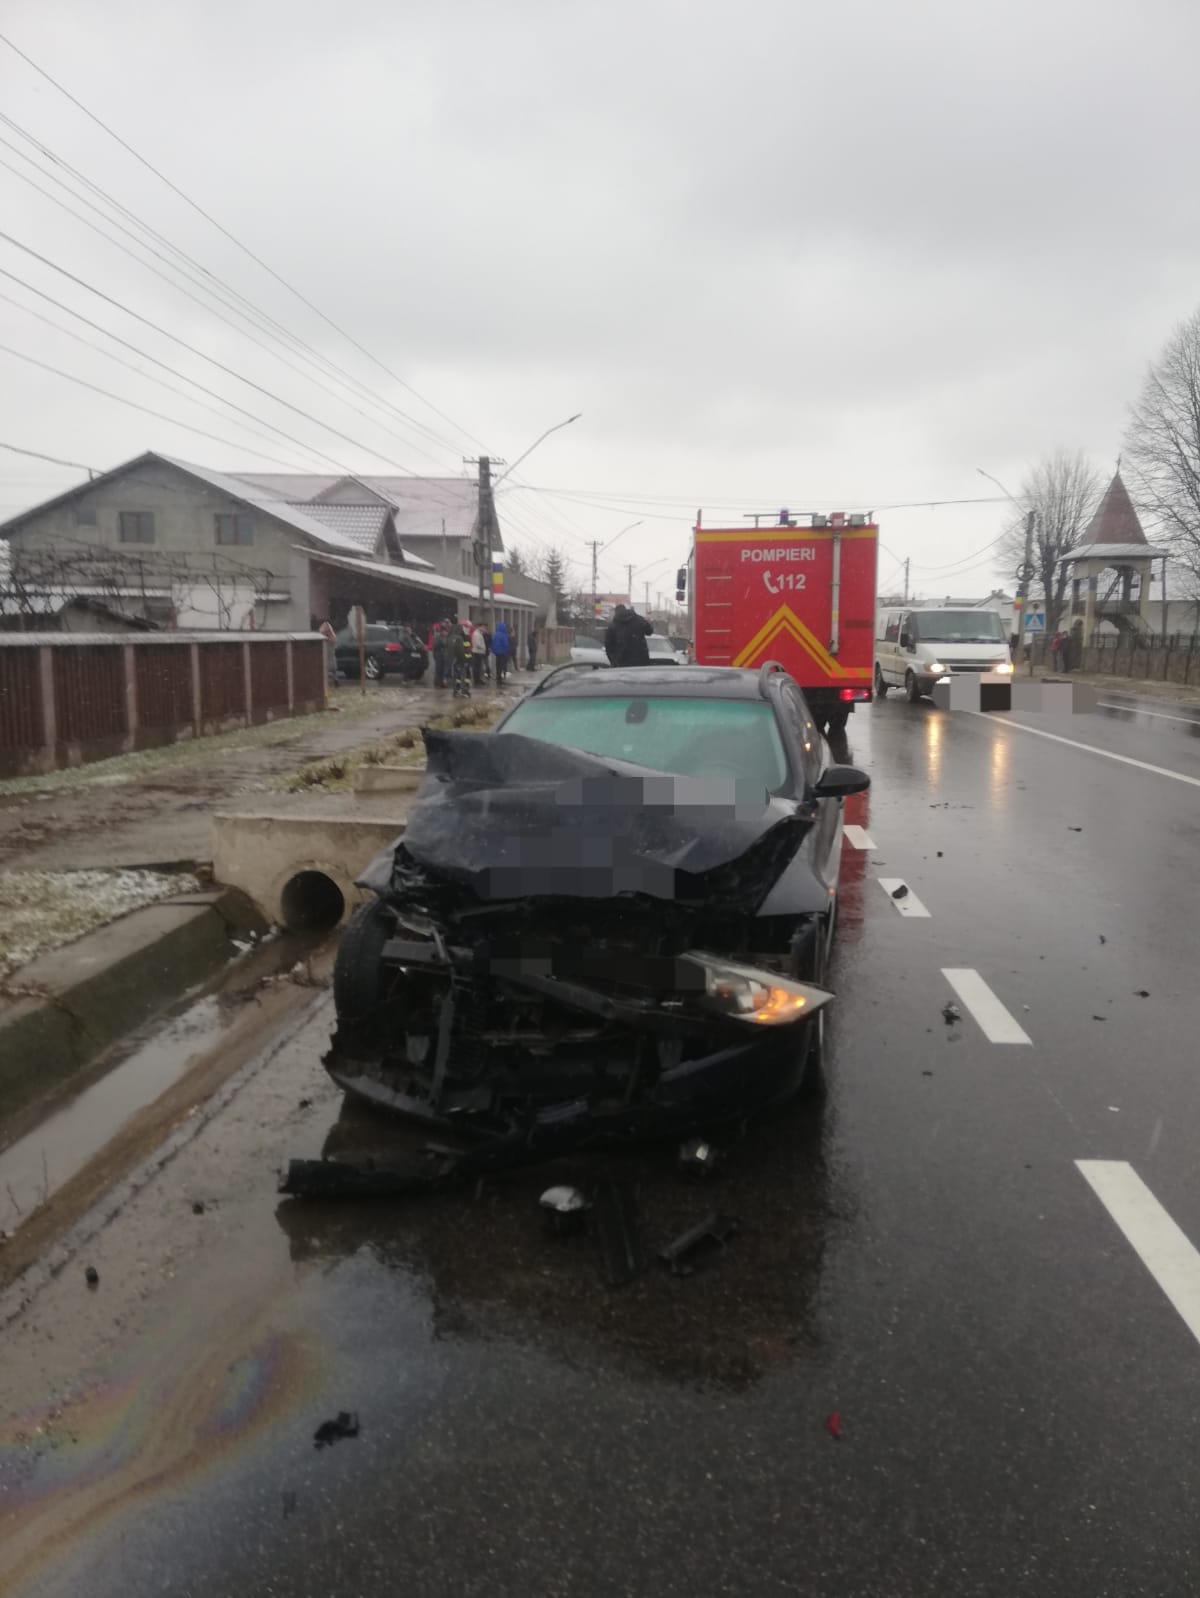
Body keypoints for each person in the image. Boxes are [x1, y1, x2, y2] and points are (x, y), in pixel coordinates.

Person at [604, 603, 654, 667]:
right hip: (640, 660)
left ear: (616, 612)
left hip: (621, 663)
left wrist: (613, 661)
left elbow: (608, 646)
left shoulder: (613, 625)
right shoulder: (638, 619)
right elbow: (650, 631)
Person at [318, 618, 338, 688]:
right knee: (332, 667)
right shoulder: (328, 627)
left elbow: (321, 632)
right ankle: (334, 681)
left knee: (328, 666)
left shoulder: (325, 626)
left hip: (328, 648)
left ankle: (328, 681)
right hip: (330, 649)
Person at [492, 618, 511, 684]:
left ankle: (498, 677)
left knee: (498, 666)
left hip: (497, 653)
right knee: (502, 665)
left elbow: (493, 643)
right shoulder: (503, 635)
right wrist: (507, 650)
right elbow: (506, 644)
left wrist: (494, 650)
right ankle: (500, 679)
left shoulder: (496, 634)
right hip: (503, 653)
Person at [470, 619, 487, 686]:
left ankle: (478, 679)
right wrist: (483, 647)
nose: (484, 628)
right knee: (477, 667)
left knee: (479, 667)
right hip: (477, 652)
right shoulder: (476, 634)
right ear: (479, 627)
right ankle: (477, 680)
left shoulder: (479, 633)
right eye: (483, 627)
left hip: (479, 652)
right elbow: (477, 644)